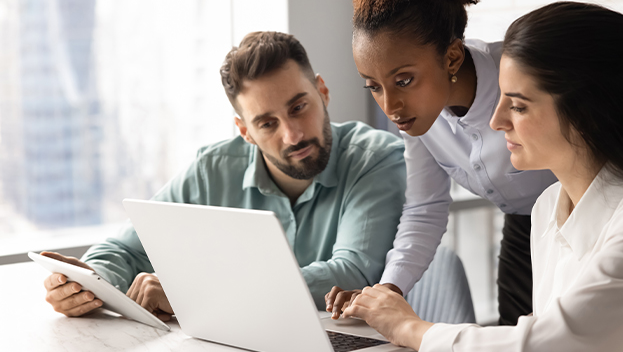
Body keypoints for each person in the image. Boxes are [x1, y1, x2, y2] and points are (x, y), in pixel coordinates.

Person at [338, 1, 623, 351]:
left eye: (519, 107)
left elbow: (553, 343)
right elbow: (424, 207)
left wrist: (411, 328)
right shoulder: (545, 208)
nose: (495, 121)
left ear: (586, 112)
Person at [40, 31, 407, 320]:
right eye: (267, 123)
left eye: (299, 107)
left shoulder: (376, 159)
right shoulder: (212, 169)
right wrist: (87, 284)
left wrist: (195, 294)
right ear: (245, 131)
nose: (292, 134)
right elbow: (124, 250)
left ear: (322, 92)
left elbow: (352, 273)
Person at [326, 0, 556, 325]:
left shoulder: (518, 79)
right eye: (373, 86)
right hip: (522, 231)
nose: (391, 106)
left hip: (579, 221)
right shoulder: (417, 117)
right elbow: (425, 207)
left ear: (451, 58)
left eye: (404, 80)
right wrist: (387, 290)